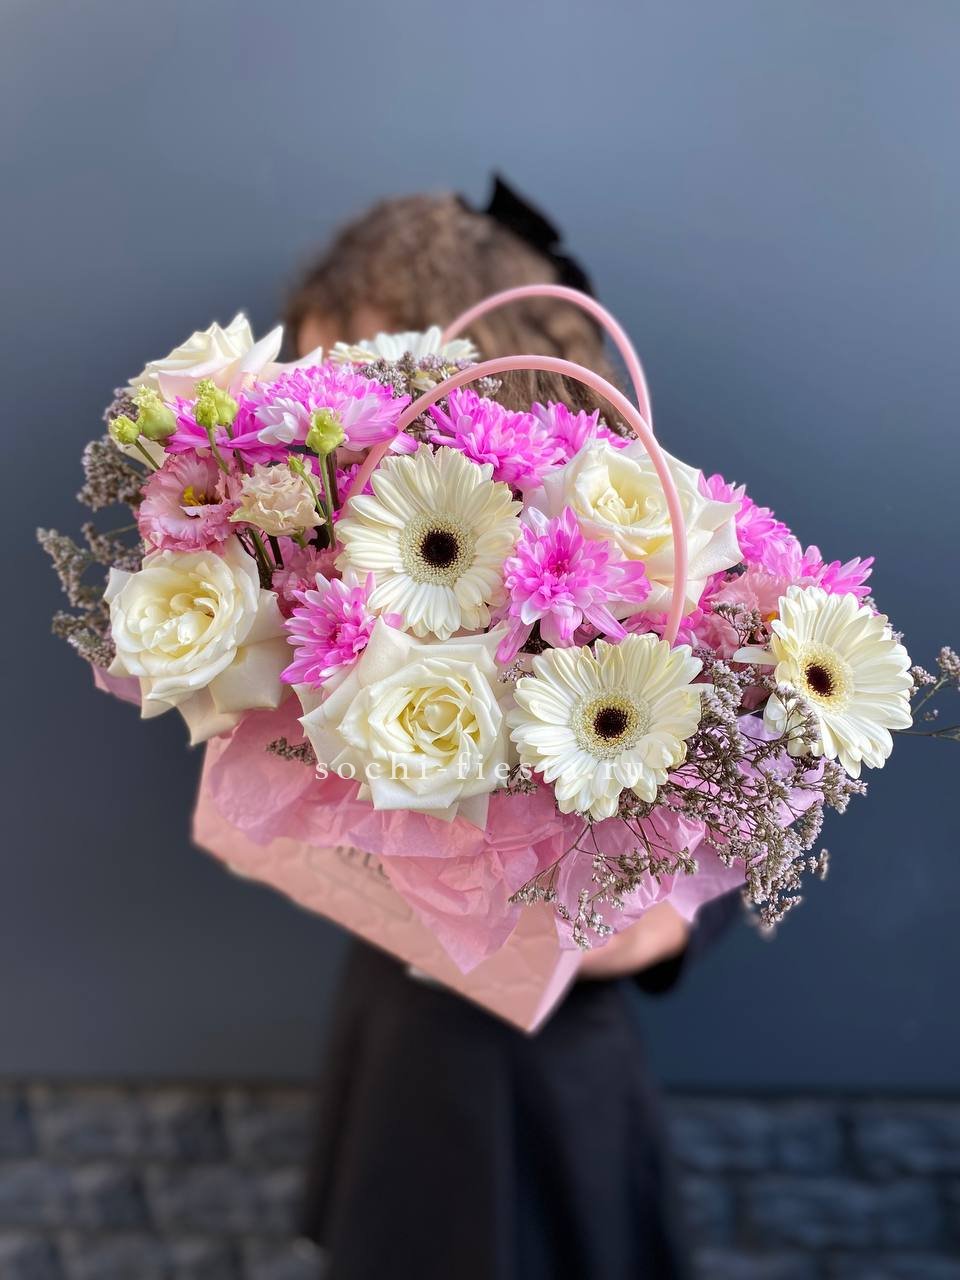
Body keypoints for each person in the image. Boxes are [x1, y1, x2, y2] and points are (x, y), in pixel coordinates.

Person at [286, 180, 739, 1280]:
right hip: (400, 1017)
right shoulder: (333, 561)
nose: (325, 413)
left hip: (550, 1050)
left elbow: (747, 768)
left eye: (366, 372)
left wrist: (667, 924)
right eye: (312, 374)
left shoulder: (624, 539)